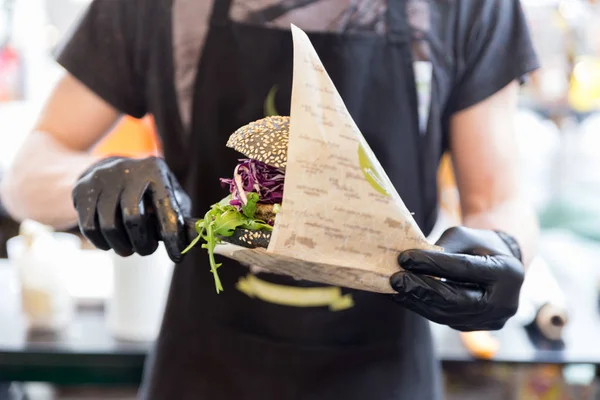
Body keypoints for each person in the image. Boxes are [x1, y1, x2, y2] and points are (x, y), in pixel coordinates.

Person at [0, 0, 540, 398]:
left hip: (385, 369)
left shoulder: (468, 6)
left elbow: (497, 194)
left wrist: (503, 247)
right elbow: (27, 172)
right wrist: (93, 180)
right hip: (205, 368)